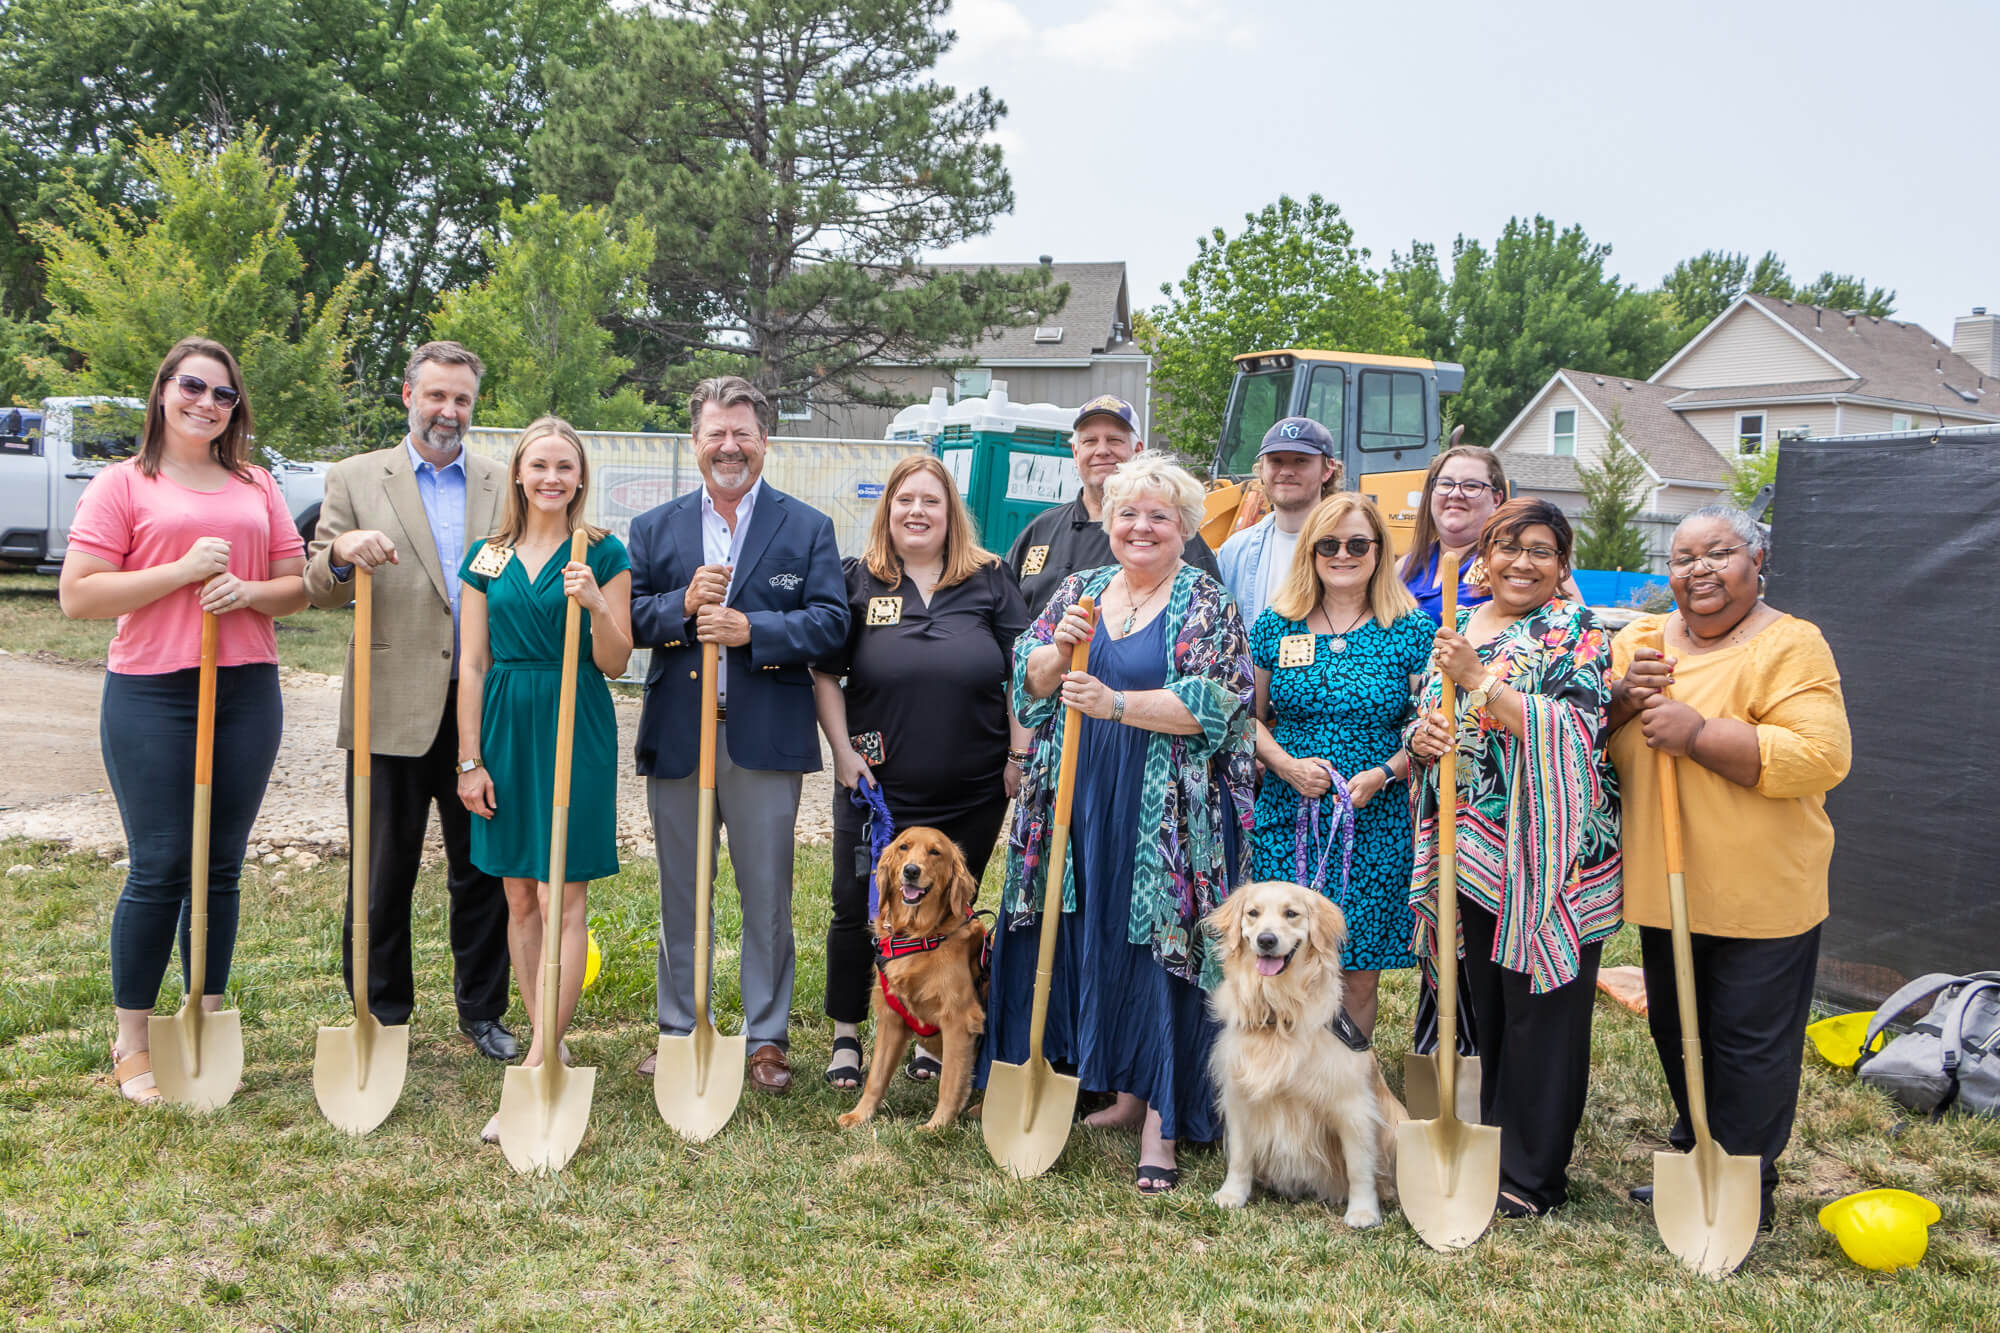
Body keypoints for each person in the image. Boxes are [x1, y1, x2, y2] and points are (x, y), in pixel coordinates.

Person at [979, 454, 1255, 1195]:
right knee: (1090, 926)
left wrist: (1117, 704)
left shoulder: (1204, 599)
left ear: (1184, 528)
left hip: (1165, 805)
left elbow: (1220, 703)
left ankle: (1164, 1119)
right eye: (1128, 513)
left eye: (1159, 516)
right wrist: (1048, 654)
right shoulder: (1080, 589)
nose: (1141, 526)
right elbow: (1027, 681)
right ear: (1108, 519)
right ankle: (1121, 1090)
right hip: (1076, 789)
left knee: (1161, 946)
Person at [58, 337, 307, 1104]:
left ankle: (205, 1012)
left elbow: (293, 585)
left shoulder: (255, 483)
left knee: (220, 866)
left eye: (223, 394)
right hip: (153, 692)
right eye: (192, 386)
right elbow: (79, 594)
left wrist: (245, 592)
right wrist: (181, 572)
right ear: (163, 389)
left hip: (245, 689)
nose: (207, 402)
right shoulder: (123, 484)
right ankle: (131, 1039)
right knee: (162, 863)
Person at [1608, 506, 1850, 1231]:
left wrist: (1702, 733)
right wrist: (1622, 697)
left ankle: (1745, 1186)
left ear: (1758, 558)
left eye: (1719, 552)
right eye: (1684, 558)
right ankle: (1696, 1152)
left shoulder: (1791, 645)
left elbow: (1821, 756)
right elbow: (1587, 738)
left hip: (1759, 890)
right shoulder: (1641, 639)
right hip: (1667, 884)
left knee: (1747, 1044)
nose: (1700, 570)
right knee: (1680, 1031)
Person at [629, 375, 848, 1095]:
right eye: (716, 434)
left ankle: (766, 1037)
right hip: (680, 735)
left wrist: (755, 629)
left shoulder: (806, 526)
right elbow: (626, 619)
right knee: (682, 892)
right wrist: (679, 606)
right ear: (695, 442)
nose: (730, 447)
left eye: (743, 434)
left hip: (764, 738)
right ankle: (679, 1026)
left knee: (767, 894)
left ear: (764, 442)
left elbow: (831, 623)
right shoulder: (655, 528)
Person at [304, 341, 522, 1062]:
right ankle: (382, 1011)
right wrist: (340, 553)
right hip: (387, 707)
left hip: (480, 711)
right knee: (379, 872)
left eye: (461, 398)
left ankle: (483, 1010)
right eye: (435, 396)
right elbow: (317, 583)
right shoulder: (357, 477)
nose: (448, 411)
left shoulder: (503, 481)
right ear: (407, 395)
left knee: (482, 871)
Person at [1405, 497, 1621, 1218]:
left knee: (1544, 1011)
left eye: (1540, 550)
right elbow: (1432, 715)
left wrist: (1479, 683)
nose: (1521, 562)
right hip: (1472, 843)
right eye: (1508, 547)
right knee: (1490, 1005)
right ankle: (1492, 1146)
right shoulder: (1464, 625)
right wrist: (1423, 738)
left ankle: (1534, 1174)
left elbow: (1577, 725)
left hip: (1552, 850)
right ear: (1485, 557)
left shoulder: (1576, 629)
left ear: (1562, 565)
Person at [811, 454, 1029, 1088]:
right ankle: (849, 1033)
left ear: (950, 512)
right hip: (877, 788)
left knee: (949, 910)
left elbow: (1022, 673)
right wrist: (844, 754)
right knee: (859, 905)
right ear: (888, 511)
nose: (917, 512)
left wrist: (1019, 755)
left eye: (931, 501)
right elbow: (825, 674)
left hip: (972, 788)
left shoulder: (990, 579)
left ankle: (933, 1037)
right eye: (905, 500)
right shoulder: (857, 580)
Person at [457, 417, 632, 1143]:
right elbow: (471, 663)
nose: (552, 477)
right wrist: (470, 759)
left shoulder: (605, 551)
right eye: (539, 465)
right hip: (505, 724)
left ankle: (532, 1066)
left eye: (566, 465)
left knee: (563, 896)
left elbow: (618, 659)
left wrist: (594, 602)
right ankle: (545, 1036)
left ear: (581, 477)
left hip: (575, 724)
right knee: (519, 899)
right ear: (519, 475)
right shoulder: (487, 557)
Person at [1247, 492, 1432, 1039]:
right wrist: (1284, 765)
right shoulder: (1277, 626)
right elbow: (1248, 718)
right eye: (1329, 543)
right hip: (1288, 811)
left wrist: (1387, 773)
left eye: (1357, 543)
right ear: (1311, 550)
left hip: (1374, 815)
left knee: (1355, 966)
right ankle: (1281, 1085)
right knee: (1277, 955)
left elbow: (1426, 728)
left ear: (1379, 551)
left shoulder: (1410, 631)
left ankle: (1340, 1087)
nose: (1343, 554)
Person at [1006, 395, 1222, 617]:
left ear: (1138, 450)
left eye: (1114, 440)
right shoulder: (1040, 529)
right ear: (1075, 453)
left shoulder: (1170, 536)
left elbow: (1208, 614)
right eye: (1090, 441)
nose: (1101, 450)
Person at [1217, 416, 1345, 625]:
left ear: (1328, 469)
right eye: (1276, 461)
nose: (1286, 471)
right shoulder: (1235, 552)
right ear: (1262, 469)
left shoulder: (1355, 550)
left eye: (1300, 460)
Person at [1399, 444, 1508, 625]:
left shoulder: (1513, 562)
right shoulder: (1406, 565)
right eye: (1446, 484)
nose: (1455, 493)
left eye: (1471, 486)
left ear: (1496, 499)